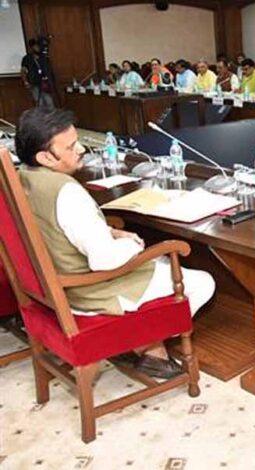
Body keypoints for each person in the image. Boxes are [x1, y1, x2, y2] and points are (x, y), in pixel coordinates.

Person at [13, 107, 216, 377]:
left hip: (51, 286)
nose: (81, 149)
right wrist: (134, 244)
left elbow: (55, 228)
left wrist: (110, 231)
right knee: (202, 281)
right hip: (89, 292)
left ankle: (147, 346)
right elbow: (104, 261)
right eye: (71, 147)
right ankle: (145, 346)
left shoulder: (22, 177)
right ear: (45, 157)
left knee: (159, 262)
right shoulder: (67, 192)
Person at [20, 38, 55, 108]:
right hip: (34, 83)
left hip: (44, 82)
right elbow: (23, 71)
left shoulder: (43, 57)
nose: (38, 48)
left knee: (49, 101)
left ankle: (50, 114)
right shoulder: (27, 58)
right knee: (39, 102)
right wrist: (26, 82)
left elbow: (48, 69)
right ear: (32, 47)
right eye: (36, 46)